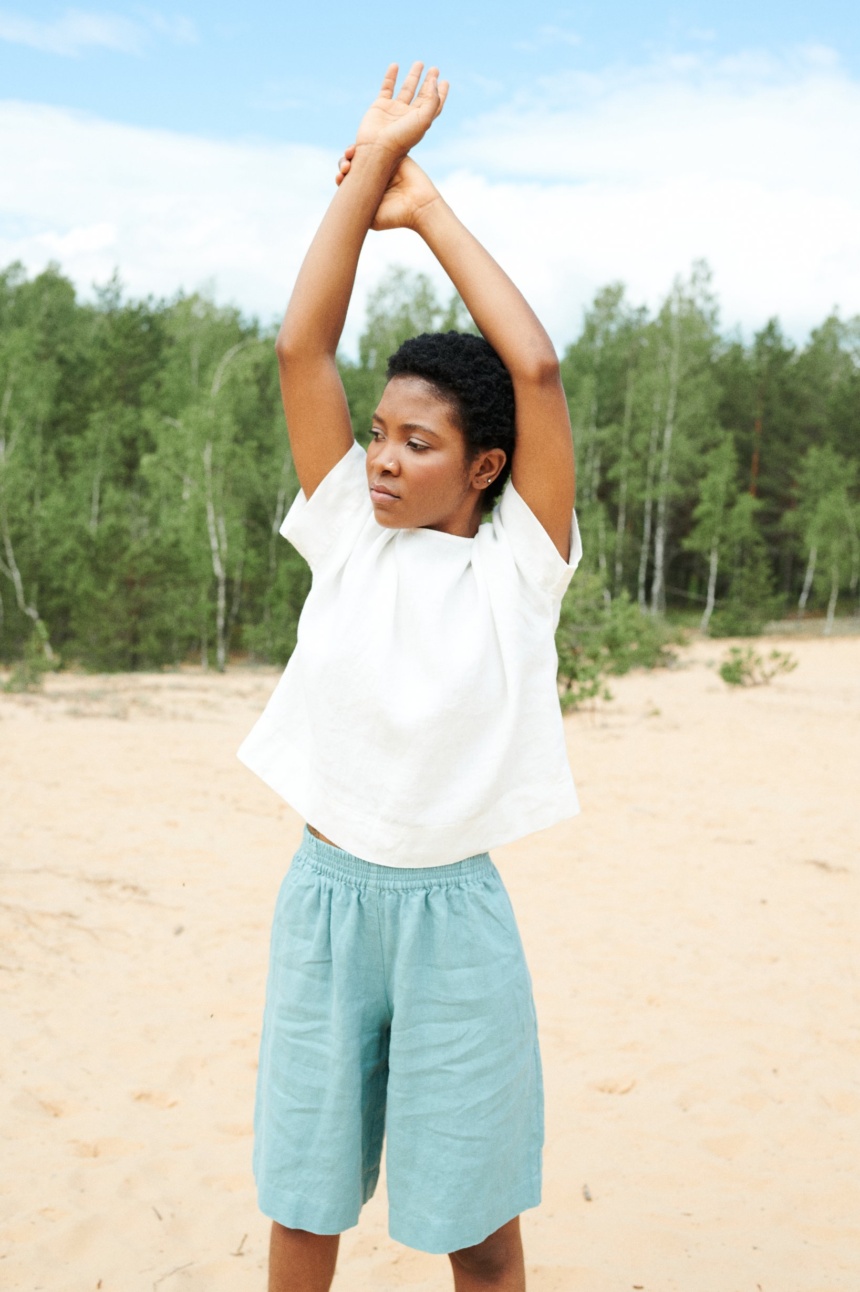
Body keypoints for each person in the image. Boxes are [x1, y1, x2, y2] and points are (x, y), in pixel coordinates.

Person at [237, 61, 581, 1292]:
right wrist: (366, 166)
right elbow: (300, 341)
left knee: (478, 1232)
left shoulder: (517, 573)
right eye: (378, 431)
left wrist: (428, 210)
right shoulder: (343, 530)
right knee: (305, 1205)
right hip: (325, 902)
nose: (381, 457)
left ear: (484, 465)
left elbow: (534, 370)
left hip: (455, 920)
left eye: (416, 442)